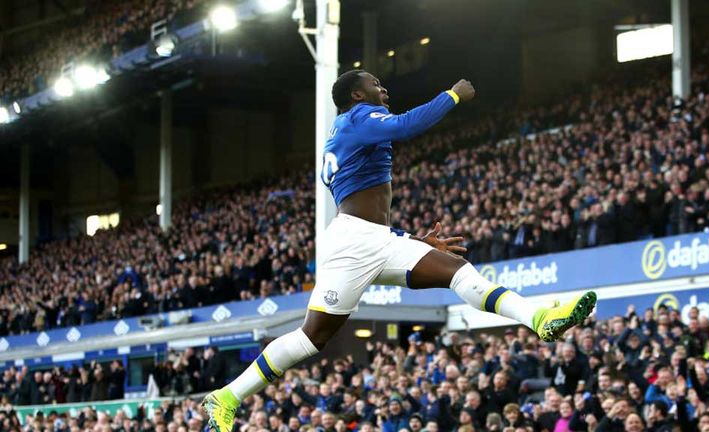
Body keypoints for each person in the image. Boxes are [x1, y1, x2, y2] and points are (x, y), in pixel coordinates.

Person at [203, 69, 597, 431]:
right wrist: (452, 96)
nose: (383, 88)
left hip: (377, 237)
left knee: (457, 270)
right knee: (314, 337)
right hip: (353, 243)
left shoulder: (349, 129)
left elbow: (366, 203)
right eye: (375, 83)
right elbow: (407, 126)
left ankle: (540, 317)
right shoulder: (358, 118)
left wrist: (410, 240)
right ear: (357, 94)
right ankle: (227, 396)